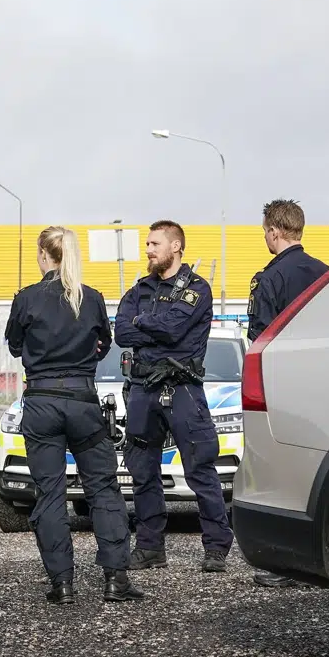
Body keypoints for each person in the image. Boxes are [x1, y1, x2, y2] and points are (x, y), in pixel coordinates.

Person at [5, 226, 142, 605]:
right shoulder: (91, 298)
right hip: (83, 399)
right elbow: (104, 344)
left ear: (43, 254)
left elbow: (15, 346)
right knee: (103, 488)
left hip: (41, 400)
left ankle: (62, 583)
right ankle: (116, 578)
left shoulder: (26, 299)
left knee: (50, 493)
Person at [115, 220, 233, 573]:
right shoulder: (140, 289)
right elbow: (121, 333)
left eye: (155, 244)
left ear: (176, 246)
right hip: (143, 389)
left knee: (200, 469)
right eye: (147, 244)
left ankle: (216, 547)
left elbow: (174, 329)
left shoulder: (197, 288)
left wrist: (142, 323)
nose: (148, 250)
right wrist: (150, 325)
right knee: (142, 471)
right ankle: (150, 547)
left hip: (181, 389)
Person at [246, 199, 329, 588]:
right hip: (323, 389)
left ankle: (286, 564)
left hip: (284, 387)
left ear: (274, 232)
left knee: (281, 475)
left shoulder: (270, 278)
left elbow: (259, 339)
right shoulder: (328, 273)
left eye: (265, 231)